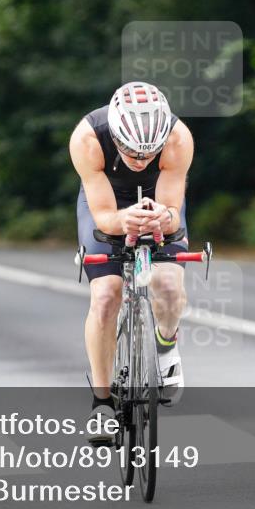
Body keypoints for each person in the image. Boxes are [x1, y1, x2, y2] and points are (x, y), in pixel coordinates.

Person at [69, 81, 194, 442]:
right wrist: (124, 221)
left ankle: (167, 347)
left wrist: (163, 218)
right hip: (107, 199)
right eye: (130, 152)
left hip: (160, 197)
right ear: (116, 135)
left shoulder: (177, 138)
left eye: (148, 154)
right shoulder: (88, 138)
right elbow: (104, 215)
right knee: (107, 295)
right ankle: (102, 402)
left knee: (168, 285)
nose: (140, 161)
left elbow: (173, 208)